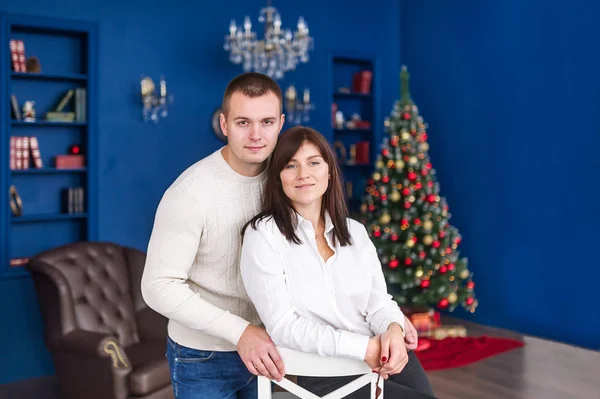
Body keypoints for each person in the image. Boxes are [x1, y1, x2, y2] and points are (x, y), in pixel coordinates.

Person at [240, 126, 437, 398]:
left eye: (314, 163)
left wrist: (392, 327)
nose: (303, 174)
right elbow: (284, 328)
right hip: (326, 370)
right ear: (278, 178)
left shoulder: (355, 231)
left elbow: (378, 302)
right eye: (291, 165)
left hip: (379, 353)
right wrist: (364, 347)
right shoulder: (263, 235)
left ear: (329, 172)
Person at [141, 72, 287, 399]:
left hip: (274, 347)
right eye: (242, 122)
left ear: (280, 124)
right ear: (224, 124)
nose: (255, 135)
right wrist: (241, 332)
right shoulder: (190, 193)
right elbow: (157, 286)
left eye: (266, 122)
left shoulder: (288, 180)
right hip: (203, 356)